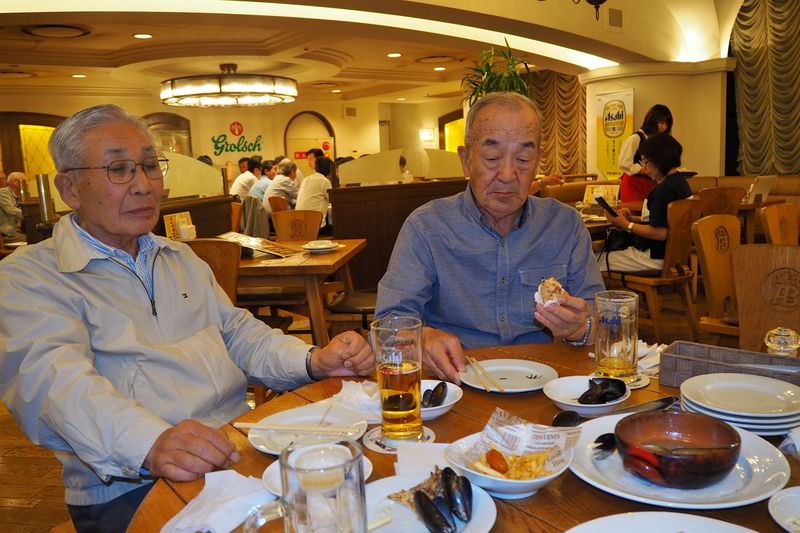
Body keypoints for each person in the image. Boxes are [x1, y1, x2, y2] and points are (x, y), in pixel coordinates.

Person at [0, 104, 374, 533]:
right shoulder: (29, 275)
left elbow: (237, 333)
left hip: (236, 448)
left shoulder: (179, 257)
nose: (143, 185)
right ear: (69, 188)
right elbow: (53, 384)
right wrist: (151, 442)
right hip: (131, 482)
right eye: (118, 169)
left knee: (357, 494)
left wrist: (311, 360)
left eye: (149, 165)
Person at [375, 92, 604, 383]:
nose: (508, 174)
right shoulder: (427, 227)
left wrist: (582, 328)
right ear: (466, 160)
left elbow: (602, 317)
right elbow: (389, 322)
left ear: (537, 161)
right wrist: (421, 338)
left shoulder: (564, 225)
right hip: (456, 381)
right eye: (492, 158)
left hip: (547, 383)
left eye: (523, 159)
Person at [598, 133, 691, 272]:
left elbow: (660, 232)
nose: (645, 168)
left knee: (595, 260)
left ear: (659, 160)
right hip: (675, 257)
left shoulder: (663, 191)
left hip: (653, 257)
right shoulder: (681, 183)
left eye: (646, 162)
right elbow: (663, 221)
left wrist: (627, 225)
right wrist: (631, 219)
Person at [618, 104, 673, 202]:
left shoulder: (658, 141)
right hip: (633, 184)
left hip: (650, 184)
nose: (664, 127)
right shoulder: (636, 138)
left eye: (667, 124)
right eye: (661, 123)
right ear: (652, 120)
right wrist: (646, 171)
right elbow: (624, 163)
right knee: (635, 211)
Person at [296, 156, 333, 234]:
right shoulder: (324, 181)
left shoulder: (306, 179)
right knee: (339, 228)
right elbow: (333, 200)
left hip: (300, 225)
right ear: (330, 169)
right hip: (315, 227)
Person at [0, 172, 25, 240]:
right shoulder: (3, 192)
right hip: (7, 234)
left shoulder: (21, 194)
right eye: (24, 181)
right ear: (15, 182)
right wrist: (29, 214)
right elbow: (11, 211)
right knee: (34, 239)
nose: (27, 184)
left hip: (18, 232)